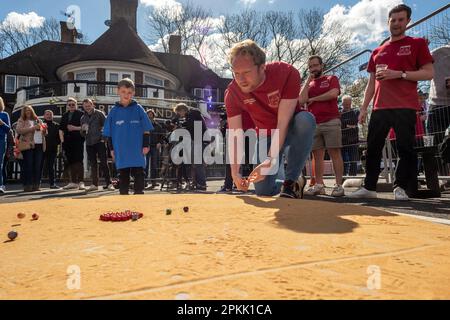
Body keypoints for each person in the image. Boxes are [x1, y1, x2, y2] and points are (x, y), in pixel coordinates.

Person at [348, 4, 434, 200]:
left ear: (407, 21)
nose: (396, 23)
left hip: (405, 105)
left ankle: (400, 187)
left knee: (405, 148)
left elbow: (429, 73)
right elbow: (371, 84)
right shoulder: (377, 50)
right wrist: (363, 109)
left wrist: (400, 74)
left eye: (400, 20)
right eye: (393, 20)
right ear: (388, 22)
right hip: (380, 107)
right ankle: (369, 187)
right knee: (373, 148)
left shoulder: (417, 43)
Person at [225, 39, 316, 198]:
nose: (241, 79)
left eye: (246, 72)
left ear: (262, 67)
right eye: (236, 73)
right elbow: (235, 135)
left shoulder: (287, 73)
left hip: (290, 126)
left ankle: (290, 181)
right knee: (263, 191)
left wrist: (269, 160)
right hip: (265, 134)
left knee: (306, 120)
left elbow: (283, 122)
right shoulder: (232, 93)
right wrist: (235, 172)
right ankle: (296, 183)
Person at [300, 55, 345, 197]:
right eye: (310, 66)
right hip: (314, 123)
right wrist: (308, 79)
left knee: (334, 153)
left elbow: (333, 94)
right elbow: (301, 99)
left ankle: (338, 186)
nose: (313, 68)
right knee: (316, 155)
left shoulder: (331, 79)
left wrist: (313, 99)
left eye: (315, 65)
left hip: (331, 120)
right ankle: (319, 185)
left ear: (321, 65)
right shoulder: (309, 84)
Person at [103, 78, 153, 195]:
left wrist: (146, 144)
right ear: (118, 91)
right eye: (124, 91)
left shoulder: (138, 109)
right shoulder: (113, 111)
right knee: (123, 174)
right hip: (121, 149)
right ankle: (124, 197)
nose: (126, 95)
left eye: (129, 92)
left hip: (137, 148)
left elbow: (146, 129)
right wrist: (111, 149)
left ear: (133, 93)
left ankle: (139, 196)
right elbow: (109, 133)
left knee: (139, 173)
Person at [80, 99, 114, 192]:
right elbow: (82, 134)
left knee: (104, 163)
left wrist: (104, 139)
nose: (87, 107)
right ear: (83, 106)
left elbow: (107, 127)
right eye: (85, 106)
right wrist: (82, 130)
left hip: (100, 141)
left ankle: (109, 183)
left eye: (89, 105)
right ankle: (94, 184)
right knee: (93, 164)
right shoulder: (83, 118)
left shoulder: (99, 114)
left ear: (92, 105)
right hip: (89, 143)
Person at [172, 103, 208, 191]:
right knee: (197, 163)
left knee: (198, 163)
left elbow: (192, 127)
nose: (180, 115)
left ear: (182, 110)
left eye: (179, 113)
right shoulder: (192, 115)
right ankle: (199, 183)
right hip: (198, 140)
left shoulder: (192, 114)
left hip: (198, 140)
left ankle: (201, 184)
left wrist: (182, 128)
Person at [16, 105, 47, 192]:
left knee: (38, 166)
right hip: (29, 145)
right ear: (24, 112)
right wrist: (33, 128)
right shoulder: (22, 120)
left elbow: (44, 133)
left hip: (39, 144)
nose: (28, 112)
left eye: (29, 110)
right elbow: (19, 130)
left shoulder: (38, 120)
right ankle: (27, 185)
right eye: (26, 111)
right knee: (29, 166)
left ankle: (37, 185)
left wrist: (44, 129)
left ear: (32, 111)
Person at [59, 98, 86, 190]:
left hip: (78, 140)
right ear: (67, 106)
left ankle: (81, 182)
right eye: (69, 104)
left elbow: (85, 127)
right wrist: (62, 141)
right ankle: (73, 182)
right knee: (70, 161)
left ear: (76, 105)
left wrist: (74, 128)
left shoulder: (81, 114)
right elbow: (61, 129)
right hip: (67, 141)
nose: (71, 106)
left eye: (73, 104)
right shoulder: (65, 115)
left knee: (78, 160)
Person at [340, 95, 360, 176]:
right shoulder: (339, 113)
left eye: (348, 103)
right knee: (343, 161)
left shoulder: (356, 112)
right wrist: (350, 125)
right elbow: (341, 123)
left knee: (353, 160)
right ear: (342, 103)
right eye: (345, 103)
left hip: (353, 140)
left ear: (351, 103)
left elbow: (355, 121)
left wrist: (346, 124)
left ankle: (353, 177)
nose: (347, 105)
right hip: (342, 140)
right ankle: (343, 178)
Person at [144, 109, 164, 190]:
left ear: (153, 115)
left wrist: (160, 142)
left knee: (154, 165)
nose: (150, 115)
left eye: (151, 114)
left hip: (154, 146)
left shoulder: (158, 126)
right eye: (148, 114)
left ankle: (153, 181)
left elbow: (162, 136)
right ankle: (144, 181)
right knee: (145, 164)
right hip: (146, 146)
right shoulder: (144, 125)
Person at [43, 110, 61, 189]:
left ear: (52, 116)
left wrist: (56, 143)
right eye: (47, 114)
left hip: (52, 149)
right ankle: (37, 184)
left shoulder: (57, 125)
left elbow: (59, 138)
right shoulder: (41, 125)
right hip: (42, 148)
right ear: (44, 116)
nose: (49, 116)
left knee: (51, 167)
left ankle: (52, 184)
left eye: (50, 114)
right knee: (39, 166)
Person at [0, 96, 11, 194]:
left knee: (0, 164)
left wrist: (2, 123)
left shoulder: (4, 114)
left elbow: (9, 129)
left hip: (1, 140)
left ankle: (1, 185)